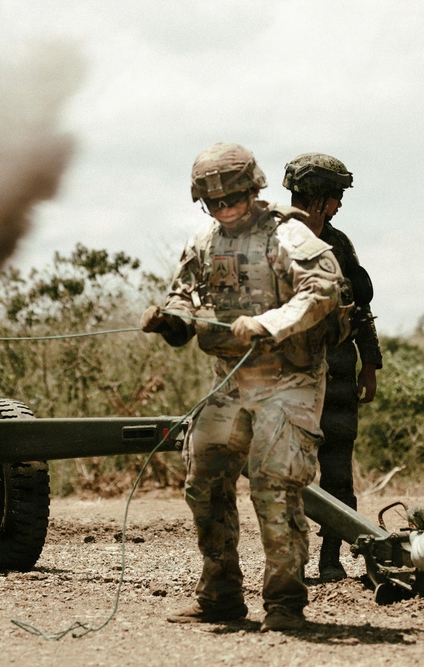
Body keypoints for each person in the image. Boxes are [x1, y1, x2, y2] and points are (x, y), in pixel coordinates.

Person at [140, 142, 342, 632]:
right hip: (229, 380)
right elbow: (184, 300)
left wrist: (269, 323)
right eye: (214, 203)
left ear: (253, 189)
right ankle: (221, 596)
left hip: (288, 380)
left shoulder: (287, 235)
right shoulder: (205, 243)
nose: (225, 209)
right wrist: (171, 322)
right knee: (202, 482)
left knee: (275, 486)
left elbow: (324, 289)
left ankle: (285, 603)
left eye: (233, 198)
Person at [281, 153, 382, 581]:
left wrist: (370, 364)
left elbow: (361, 306)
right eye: (336, 196)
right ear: (319, 197)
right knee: (288, 474)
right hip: (291, 377)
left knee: (338, 472)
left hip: (339, 372)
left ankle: (332, 557)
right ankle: (290, 561)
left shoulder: (340, 244)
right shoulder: (276, 241)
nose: (340, 205)